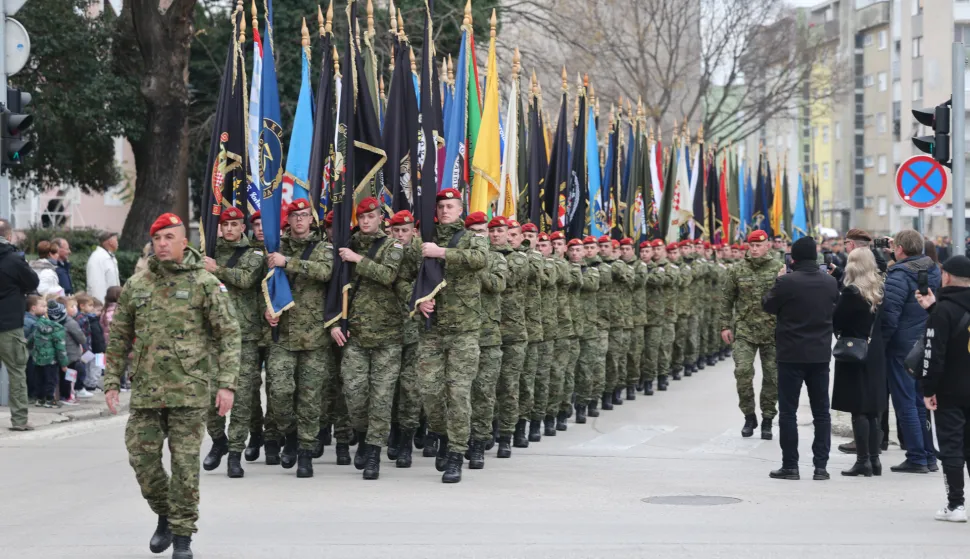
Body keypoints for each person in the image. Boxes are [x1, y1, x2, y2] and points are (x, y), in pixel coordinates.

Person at [103, 213, 240, 559]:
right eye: (157, 238)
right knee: (142, 460)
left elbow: (229, 334)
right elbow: (119, 336)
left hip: (189, 392)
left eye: (168, 238)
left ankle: (182, 538)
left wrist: (227, 385)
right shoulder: (138, 284)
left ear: (183, 242)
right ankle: (165, 512)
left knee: (185, 467)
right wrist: (111, 381)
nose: (161, 244)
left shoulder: (205, 283)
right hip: (147, 392)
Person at [413, 187, 488, 483]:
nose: (445, 211)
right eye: (441, 206)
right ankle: (441, 434)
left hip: (464, 330)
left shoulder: (472, 238)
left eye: (451, 206)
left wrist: (442, 252)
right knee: (430, 391)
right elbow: (406, 278)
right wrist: (419, 299)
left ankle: (457, 452)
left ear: (461, 209)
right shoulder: (422, 241)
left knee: (458, 393)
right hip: (432, 330)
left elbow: (479, 259)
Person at [330, 197, 405, 480]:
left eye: (370, 216)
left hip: (388, 335)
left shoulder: (392, 247)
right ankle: (362, 435)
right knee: (354, 393)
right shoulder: (345, 244)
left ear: (380, 219)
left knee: (382, 396)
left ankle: (373, 451)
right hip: (356, 335)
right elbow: (335, 288)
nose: (365, 221)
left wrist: (357, 259)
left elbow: (387, 275)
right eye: (361, 217)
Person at [264, 198, 334, 477]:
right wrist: (267, 312)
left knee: (310, 398)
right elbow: (263, 285)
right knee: (279, 393)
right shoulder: (273, 248)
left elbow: (325, 273)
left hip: (314, 337)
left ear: (311, 220)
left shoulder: (322, 248)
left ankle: (305, 452)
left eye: (304, 215)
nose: (299, 221)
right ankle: (289, 434)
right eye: (294, 216)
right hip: (283, 336)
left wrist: (289, 263)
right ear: (288, 220)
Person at [762, 236, 839, 481]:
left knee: (788, 412)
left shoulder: (787, 282)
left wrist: (779, 279)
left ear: (792, 258)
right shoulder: (829, 282)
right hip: (819, 355)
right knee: (821, 413)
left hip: (790, 354)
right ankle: (821, 467)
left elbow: (768, 305)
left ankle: (790, 465)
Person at [201, 206, 264, 479]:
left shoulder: (254, 254)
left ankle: (236, 452)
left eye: (234, 224)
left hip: (245, 336)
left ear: (242, 227)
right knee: (209, 396)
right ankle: (219, 440)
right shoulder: (208, 253)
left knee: (241, 399)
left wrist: (217, 269)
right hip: (213, 336)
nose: (228, 229)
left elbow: (247, 279)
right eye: (224, 224)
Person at [883, 229, 941, 473]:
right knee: (921, 401)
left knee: (906, 402)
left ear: (899, 249)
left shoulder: (898, 274)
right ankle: (928, 455)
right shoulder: (934, 269)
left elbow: (889, 316)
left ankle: (917, 456)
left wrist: (880, 344)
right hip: (925, 342)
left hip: (902, 348)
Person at [916, 255, 970, 522]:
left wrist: (928, 390)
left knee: (951, 446)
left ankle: (956, 505)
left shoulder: (943, 312)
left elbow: (933, 355)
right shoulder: (941, 309)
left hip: (950, 390)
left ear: (946, 277)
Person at [831, 248, 887, 477]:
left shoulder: (851, 292)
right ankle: (874, 460)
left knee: (858, 409)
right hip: (875, 351)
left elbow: (837, 320)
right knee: (872, 409)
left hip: (855, 351)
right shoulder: (879, 290)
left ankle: (862, 460)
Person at [719, 230, 779, 439]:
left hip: (773, 331)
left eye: (758, 246)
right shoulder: (737, 270)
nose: (754, 249)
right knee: (743, 372)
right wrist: (725, 326)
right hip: (744, 330)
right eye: (751, 246)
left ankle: (768, 419)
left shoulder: (779, 269)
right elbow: (726, 299)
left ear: (767, 246)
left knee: (772, 377)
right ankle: (749, 415)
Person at [33, 299, 69, 409]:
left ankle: (40, 399)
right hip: (51, 359)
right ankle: (50, 400)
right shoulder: (58, 329)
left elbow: (32, 339)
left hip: (38, 357)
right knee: (51, 379)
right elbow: (60, 348)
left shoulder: (39, 324)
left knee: (40, 379)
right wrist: (64, 364)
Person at [86, 231, 121, 304]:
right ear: (110, 242)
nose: (118, 243)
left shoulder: (109, 257)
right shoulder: (97, 258)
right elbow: (96, 285)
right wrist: (100, 305)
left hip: (112, 303)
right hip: (102, 304)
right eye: (116, 240)